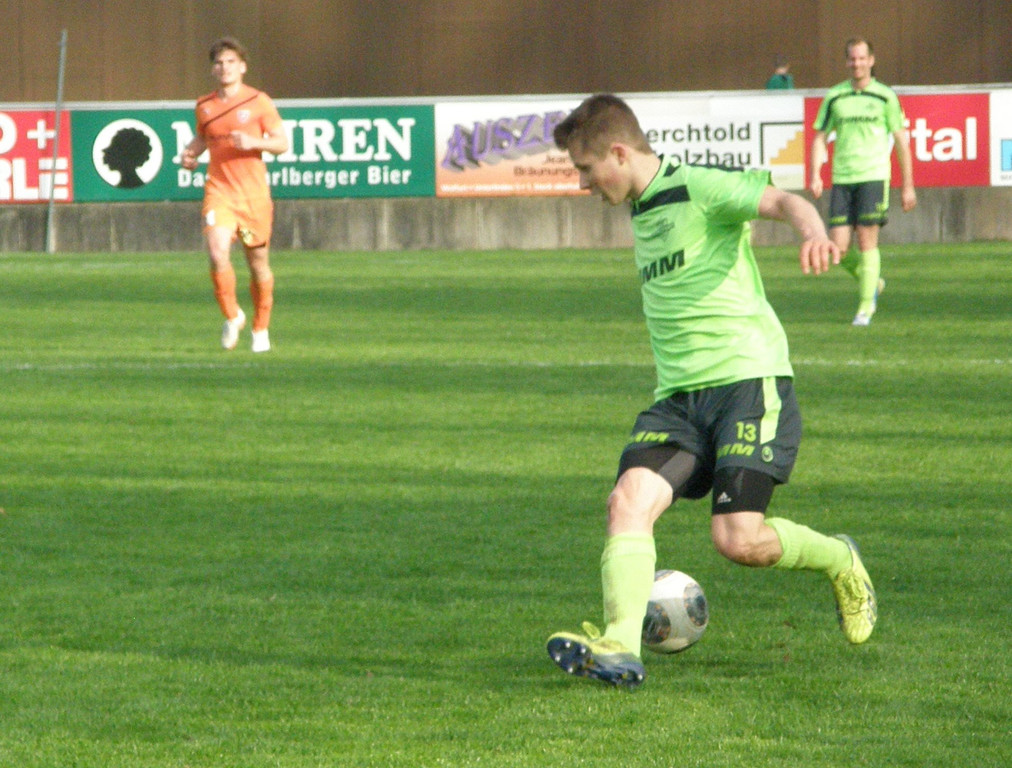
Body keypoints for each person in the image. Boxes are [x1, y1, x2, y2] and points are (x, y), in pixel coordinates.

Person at [545, 94, 877, 690]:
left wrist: (812, 232)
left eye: (586, 169)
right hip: (678, 399)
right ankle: (620, 646)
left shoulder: (695, 185)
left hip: (748, 381)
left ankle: (840, 558)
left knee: (738, 540)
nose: (583, 184)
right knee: (626, 503)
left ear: (618, 153)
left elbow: (781, 201)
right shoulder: (641, 206)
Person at [180, 37, 288, 352]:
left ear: (242, 67)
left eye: (230, 62)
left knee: (258, 264)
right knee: (217, 252)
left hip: (253, 197)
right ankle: (232, 315)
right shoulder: (205, 105)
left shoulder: (258, 101)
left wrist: (255, 143)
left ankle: (260, 328)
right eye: (219, 63)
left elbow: (282, 143)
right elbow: (203, 138)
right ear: (213, 69)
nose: (224, 67)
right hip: (220, 192)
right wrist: (190, 153)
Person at [809, 37, 916, 326]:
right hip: (842, 179)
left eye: (861, 58)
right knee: (838, 248)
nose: (857, 63)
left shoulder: (885, 97)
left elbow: (901, 142)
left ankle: (865, 307)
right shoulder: (835, 97)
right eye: (852, 59)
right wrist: (815, 173)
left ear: (871, 60)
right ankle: (873, 282)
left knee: (867, 241)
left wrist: (908, 185)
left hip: (873, 176)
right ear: (847, 62)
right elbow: (819, 138)